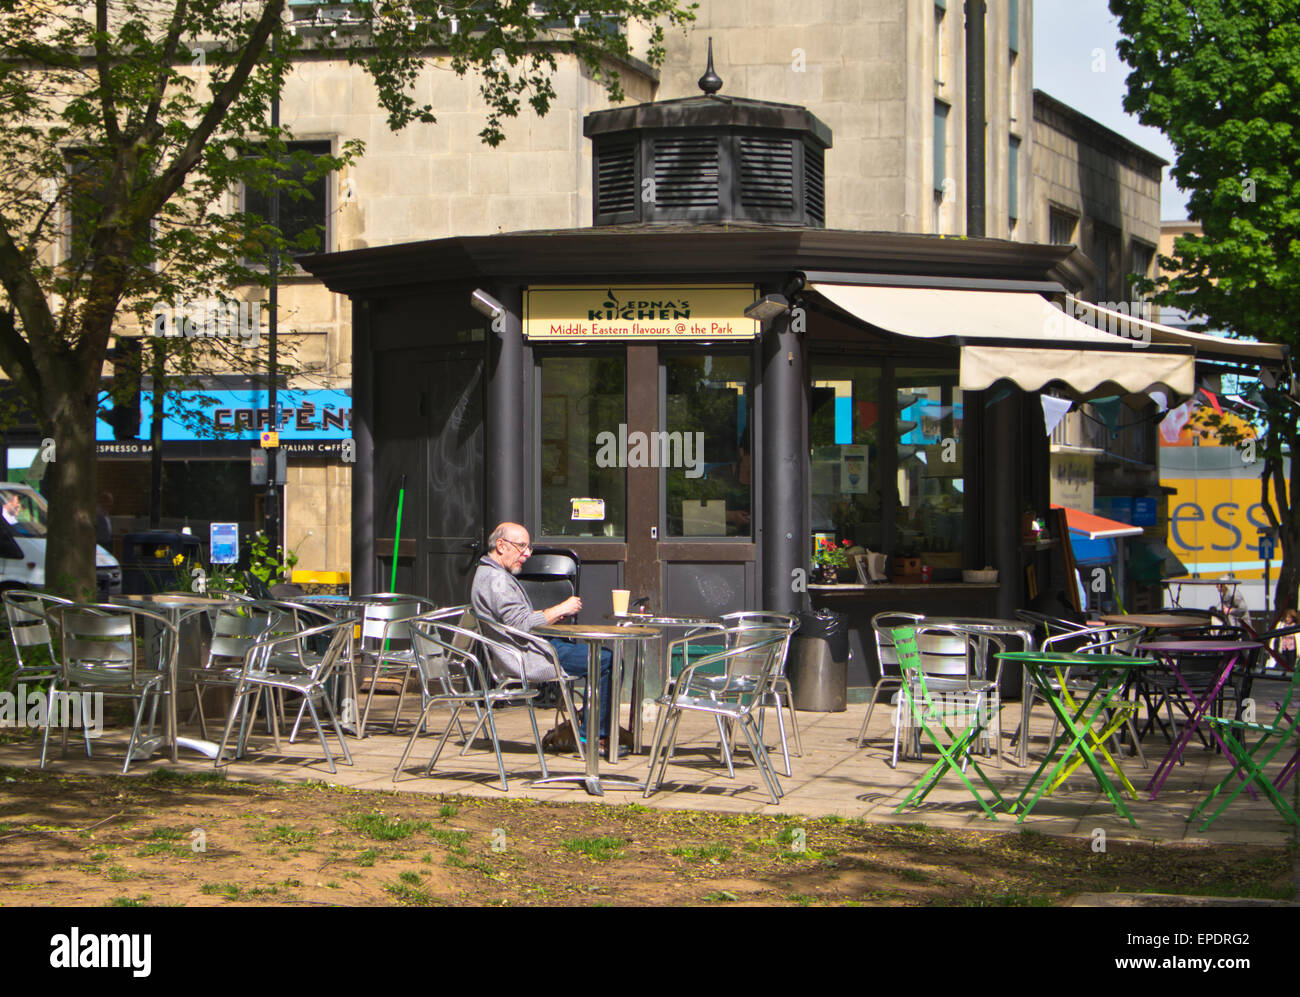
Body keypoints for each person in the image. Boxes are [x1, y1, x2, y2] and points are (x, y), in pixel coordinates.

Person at [470, 522, 619, 750]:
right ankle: (591, 736)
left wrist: (547, 617)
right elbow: (521, 624)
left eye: (528, 547)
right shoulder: (496, 580)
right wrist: (560, 609)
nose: (527, 554)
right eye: (522, 546)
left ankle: (590, 723)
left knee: (603, 656)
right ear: (501, 545)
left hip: (531, 647)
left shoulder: (489, 573)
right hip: (528, 656)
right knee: (607, 660)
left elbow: (515, 619)